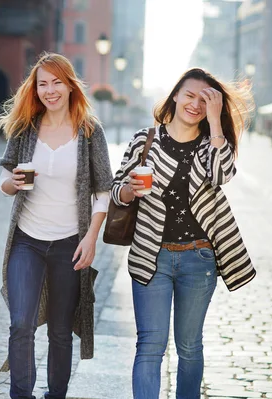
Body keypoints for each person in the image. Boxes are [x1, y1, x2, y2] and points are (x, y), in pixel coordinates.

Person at [110, 68, 256, 399]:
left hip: (199, 258)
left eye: (205, 101)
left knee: (189, 347)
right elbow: (116, 189)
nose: (195, 104)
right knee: (150, 345)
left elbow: (222, 175)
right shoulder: (144, 140)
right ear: (175, 95)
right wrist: (130, 191)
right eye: (189, 95)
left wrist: (217, 122)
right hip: (152, 255)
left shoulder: (211, 145)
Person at [0, 52, 113, 399]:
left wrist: (91, 238)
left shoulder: (90, 132)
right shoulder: (25, 127)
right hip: (26, 241)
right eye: (42, 84)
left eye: (56, 82)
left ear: (70, 85)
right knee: (21, 325)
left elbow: (103, 190)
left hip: (69, 244)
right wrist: (11, 184)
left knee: (61, 332)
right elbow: (4, 175)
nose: (50, 90)